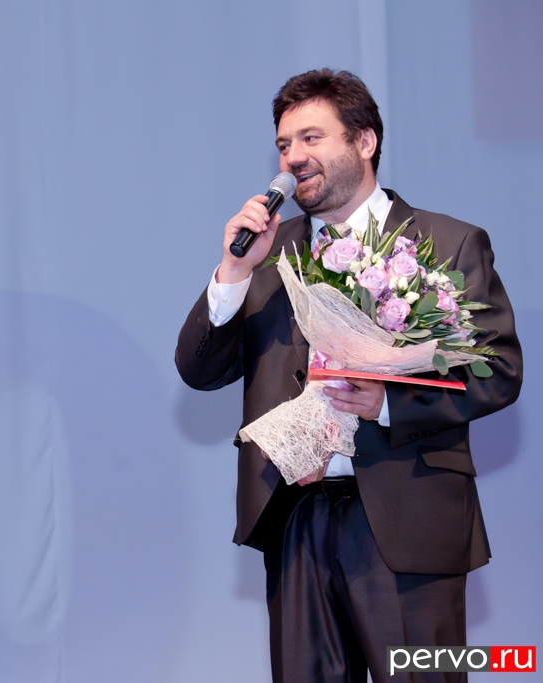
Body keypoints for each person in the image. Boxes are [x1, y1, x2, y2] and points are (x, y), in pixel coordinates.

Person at [176, 69, 522, 683]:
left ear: (364, 141)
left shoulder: (448, 242)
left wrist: (388, 402)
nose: (293, 158)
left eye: (311, 138)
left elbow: (497, 370)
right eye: (284, 144)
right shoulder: (268, 253)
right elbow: (199, 370)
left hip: (408, 518)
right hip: (294, 518)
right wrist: (233, 271)